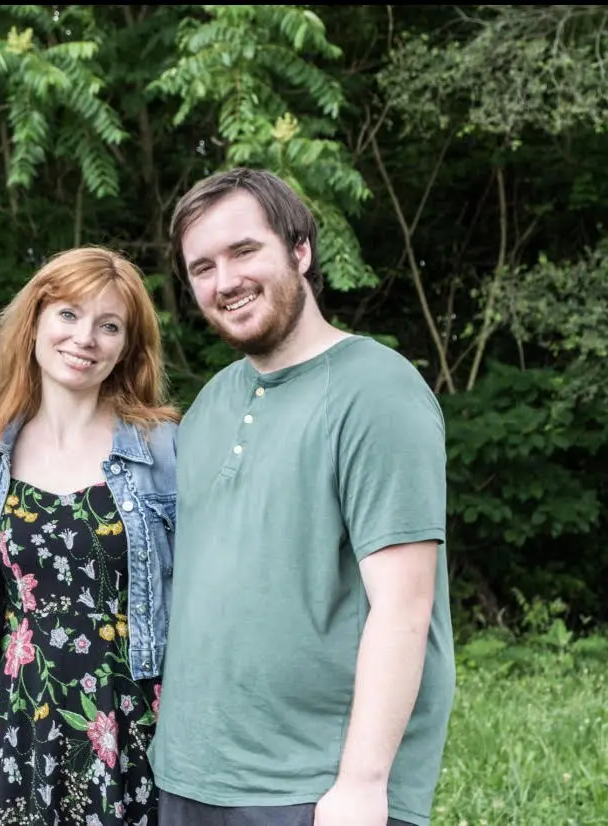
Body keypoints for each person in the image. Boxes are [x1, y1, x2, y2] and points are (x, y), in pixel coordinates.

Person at [149, 168, 455, 826]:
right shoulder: (209, 406)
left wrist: (363, 784)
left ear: (300, 250)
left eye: (243, 251)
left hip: (316, 790)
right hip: (189, 777)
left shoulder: (376, 391)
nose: (224, 281)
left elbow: (405, 606)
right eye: (202, 266)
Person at [0, 247, 179, 826]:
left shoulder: (166, 450)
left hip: (131, 725)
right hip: (10, 721)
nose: (86, 338)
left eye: (110, 326)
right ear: (34, 321)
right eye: (68, 315)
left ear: (128, 346)